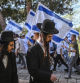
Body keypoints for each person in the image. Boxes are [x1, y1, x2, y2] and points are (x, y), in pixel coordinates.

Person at [26, 19, 59, 83]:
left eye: (51, 37)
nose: (50, 39)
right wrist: (49, 76)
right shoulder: (32, 50)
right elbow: (33, 71)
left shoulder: (46, 46)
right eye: (49, 36)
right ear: (41, 35)